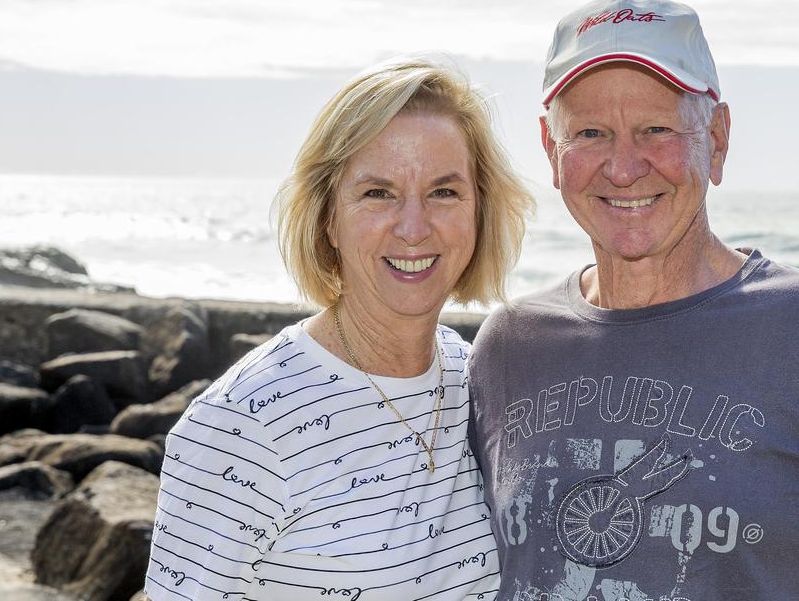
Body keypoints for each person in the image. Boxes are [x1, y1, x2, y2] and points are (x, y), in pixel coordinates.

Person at [467, 0, 799, 600]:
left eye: (656, 129)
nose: (623, 166)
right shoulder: (510, 347)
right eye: (589, 132)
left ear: (717, 138)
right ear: (551, 150)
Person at [144, 57, 532, 601]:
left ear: (478, 210)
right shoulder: (242, 426)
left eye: (444, 192)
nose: (414, 227)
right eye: (378, 193)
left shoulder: (475, 376)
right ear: (328, 217)